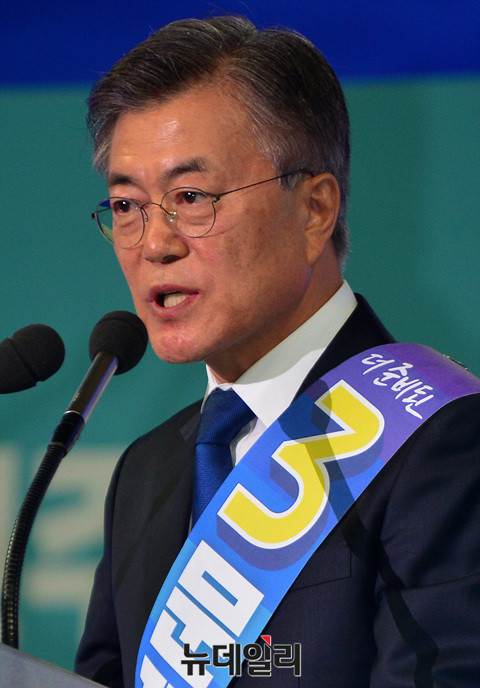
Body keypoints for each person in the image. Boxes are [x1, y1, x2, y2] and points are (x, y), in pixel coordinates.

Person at [75, 15, 480, 688]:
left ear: (315, 209)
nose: (153, 244)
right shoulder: (147, 472)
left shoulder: (442, 441)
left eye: (191, 197)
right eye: (125, 205)